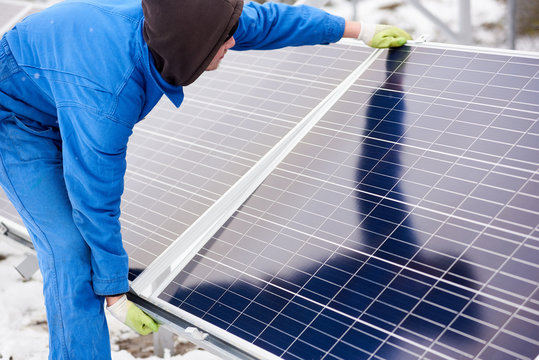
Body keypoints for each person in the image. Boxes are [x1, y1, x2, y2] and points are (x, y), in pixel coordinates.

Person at [0, 0, 412, 358]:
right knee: (71, 249)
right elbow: (94, 196)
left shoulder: (184, 21)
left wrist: (355, 30)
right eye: (224, 42)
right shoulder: (106, 98)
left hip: (60, 84)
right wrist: (112, 289)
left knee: (87, 238)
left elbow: (264, 21)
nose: (232, 44)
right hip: (16, 118)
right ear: (191, 53)